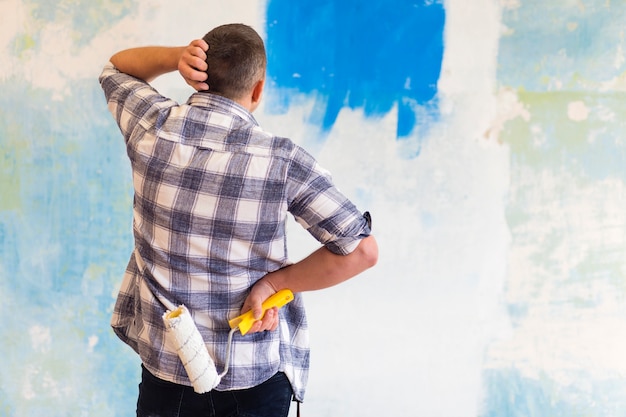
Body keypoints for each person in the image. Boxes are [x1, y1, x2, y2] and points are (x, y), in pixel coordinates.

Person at [99, 23, 378, 417]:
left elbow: (116, 69)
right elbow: (361, 251)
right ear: (258, 89)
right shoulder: (282, 161)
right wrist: (275, 283)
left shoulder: (152, 126)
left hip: (167, 374)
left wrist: (176, 55)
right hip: (253, 378)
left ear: (198, 74)